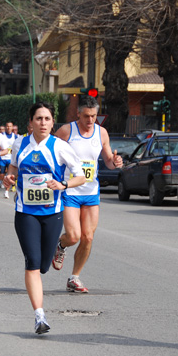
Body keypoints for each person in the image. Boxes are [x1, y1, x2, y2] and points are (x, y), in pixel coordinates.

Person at [3, 102, 85, 334]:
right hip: (25, 212)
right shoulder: (20, 143)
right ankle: (40, 316)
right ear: (31, 122)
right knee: (32, 263)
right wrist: (8, 179)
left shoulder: (60, 147)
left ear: (52, 122)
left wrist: (63, 184)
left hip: (53, 213)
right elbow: (12, 170)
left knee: (44, 265)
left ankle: (58, 247)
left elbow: (81, 177)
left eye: (47, 119)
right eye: (38, 119)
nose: (43, 123)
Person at [51, 95, 123, 293]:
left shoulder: (101, 133)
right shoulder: (66, 131)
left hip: (91, 191)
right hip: (70, 190)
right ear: (78, 114)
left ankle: (74, 278)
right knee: (73, 236)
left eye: (93, 116)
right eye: (86, 116)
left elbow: (108, 160)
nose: (90, 120)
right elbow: (51, 154)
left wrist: (115, 162)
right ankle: (61, 244)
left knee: (88, 237)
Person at [0, 121, 17, 198]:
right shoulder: (1, 135)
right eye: (7, 126)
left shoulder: (15, 136)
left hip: (10, 159)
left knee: (9, 176)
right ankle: (2, 179)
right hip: (2, 158)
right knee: (2, 176)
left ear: (12, 127)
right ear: (5, 127)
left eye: (10, 126)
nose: (9, 128)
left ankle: (6, 191)